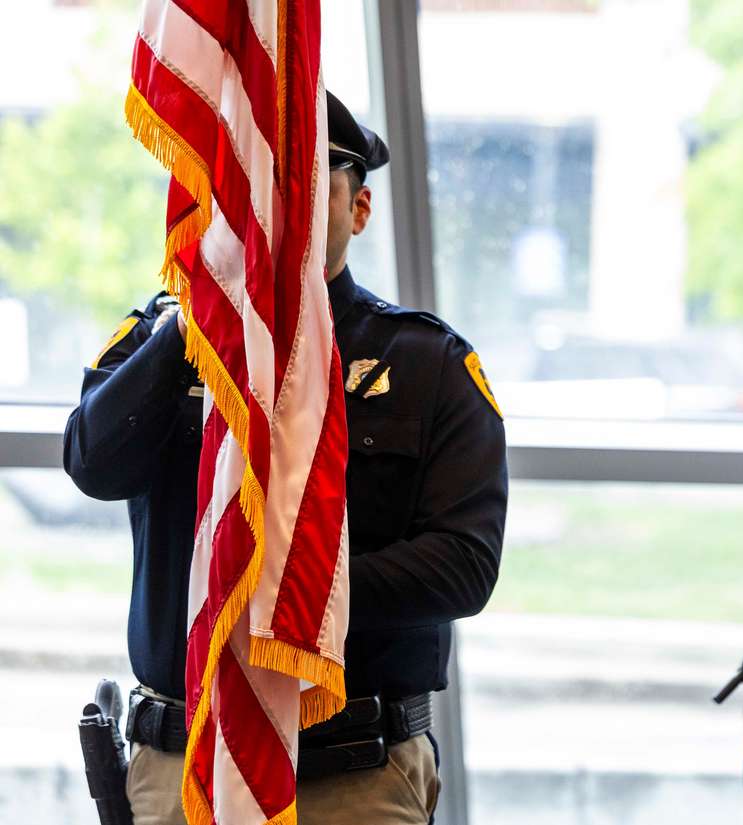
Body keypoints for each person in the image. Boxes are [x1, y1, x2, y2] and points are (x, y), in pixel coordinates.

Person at [63, 91, 508, 825]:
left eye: (301, 182)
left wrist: (286, 601)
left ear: (357, 209)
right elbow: (91, 462)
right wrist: (188, 332)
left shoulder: (427, 364)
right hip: (185, 768)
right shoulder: (165, 340)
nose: (275, 206)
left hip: (350, 777)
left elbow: (463, 564)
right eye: (256, 183)